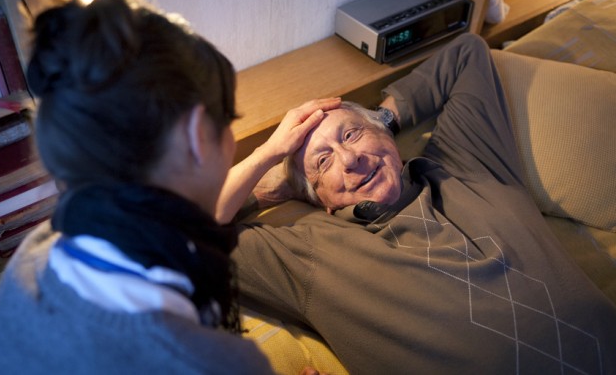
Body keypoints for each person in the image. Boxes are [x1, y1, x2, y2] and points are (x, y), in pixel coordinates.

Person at [0, 0, 335, 374]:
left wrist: (268, 153)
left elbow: (194, 211)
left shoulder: (37, 253)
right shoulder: (204, 359)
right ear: (197, 135)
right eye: (229, 122)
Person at [222, 33, 616, 374]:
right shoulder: (306, 254)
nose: (350, 158)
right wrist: (267, 162)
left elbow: (467, 54)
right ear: (317, 197)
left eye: (353, 134)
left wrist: (385, 117)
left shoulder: (467, 161)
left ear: (385, 133)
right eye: (323, 162)